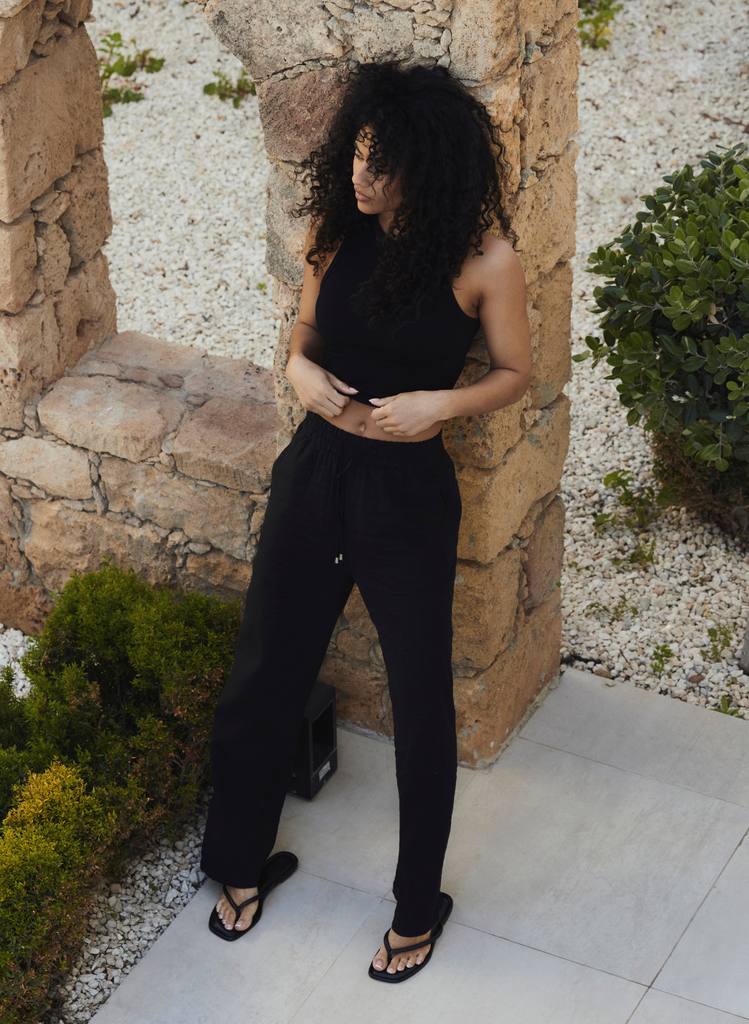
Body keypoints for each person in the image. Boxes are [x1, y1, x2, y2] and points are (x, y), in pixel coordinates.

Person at [199, 59, 532, 982]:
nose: (359, 175)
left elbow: (516, 372)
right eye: (355, 153)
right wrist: (301, 377)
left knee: (421, 699)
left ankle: (417, 907)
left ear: (426, 168)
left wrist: (439, 407)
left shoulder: (483, 259)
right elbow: (304, 340)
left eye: (380, 163)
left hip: (404, 493)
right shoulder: (335, 230)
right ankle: (237, 862)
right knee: (265, 667)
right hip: (314, 475)